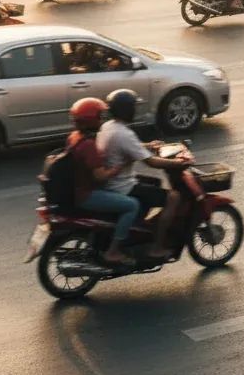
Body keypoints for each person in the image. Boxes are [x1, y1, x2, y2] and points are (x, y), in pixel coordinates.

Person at [97, 89, 191, 259]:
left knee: (154, 183)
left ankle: (137, 229)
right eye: (133, 107)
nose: (135, 110)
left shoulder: (108, 127)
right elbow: (151, 162)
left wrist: (148, 145)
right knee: (174, 197)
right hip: (122, 186)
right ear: (126, 110)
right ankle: (157, 247)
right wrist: (179, 163)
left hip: (114, 182)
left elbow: (130, 147)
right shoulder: (123, 133)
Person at [66, 97, 139, 266]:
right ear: (91, 120)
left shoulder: (74, 137)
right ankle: (113, 251)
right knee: (132, 205)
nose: (103, 119)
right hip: (87, 195)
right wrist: (120, 165)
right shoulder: (88, 145)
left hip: (77, 189)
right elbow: (100, 176)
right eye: (100, 116)